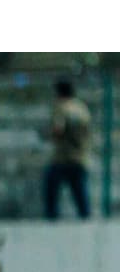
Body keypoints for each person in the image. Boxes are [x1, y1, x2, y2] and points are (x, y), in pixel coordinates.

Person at [44, 78, 91, 220]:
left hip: (63, 157)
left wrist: (48, 134)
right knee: (79, 191)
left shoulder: (61, 107)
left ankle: (52, 218)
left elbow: (58, 129)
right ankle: (85, 219)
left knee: (51, 187)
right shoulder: (81, 108)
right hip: (80, 156)